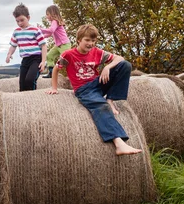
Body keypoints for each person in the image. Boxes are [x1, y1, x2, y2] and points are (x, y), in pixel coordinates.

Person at [46, 24, 142, 156]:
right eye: (87, 40)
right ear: (79, 40)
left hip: (98, 83)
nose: (90, 43)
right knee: (101, 106)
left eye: (93, 41)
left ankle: (110, 98)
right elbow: (56, 69)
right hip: (83, 89)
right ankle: (119, 143)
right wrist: (54, 88)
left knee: (125, 65)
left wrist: (108, 67)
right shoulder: (68, 55)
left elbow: (120, 58)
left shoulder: (97, 52)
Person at [5, 3, 47, 91]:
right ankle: (24, 102)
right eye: (17, 21)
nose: (20, 23)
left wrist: (43, 61)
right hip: (25, 60)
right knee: (22, 84)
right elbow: (13, 45)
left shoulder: (35, 30)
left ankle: (33, 98)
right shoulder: (16, 32)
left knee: (30, 80)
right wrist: (9, 54)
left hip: (36, 59)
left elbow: (43, 46)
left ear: (28, 18)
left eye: (22, 20)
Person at [39, 5, 71, 78]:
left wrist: (41, 29)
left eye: (47, 14)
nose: (46, 16)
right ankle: (51, 73)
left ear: (52, 14)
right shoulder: (54, 22)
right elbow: (50, 33)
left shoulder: (55, 21)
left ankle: (75, 72)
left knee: (66, 61)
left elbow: (51, 30)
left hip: (64, 44)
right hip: (58, 45)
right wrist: (41, 37)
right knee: (49, 56)